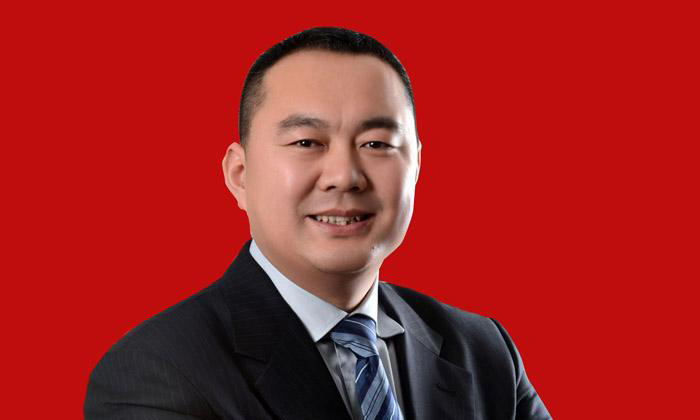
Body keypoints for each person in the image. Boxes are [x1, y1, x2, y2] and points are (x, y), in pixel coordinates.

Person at [84, 27, 551, 420]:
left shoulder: (483, 351)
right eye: (307, 142)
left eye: (376, 144)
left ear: (416, 167)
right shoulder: (157, 371)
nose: (345, 176)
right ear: (240, 175)